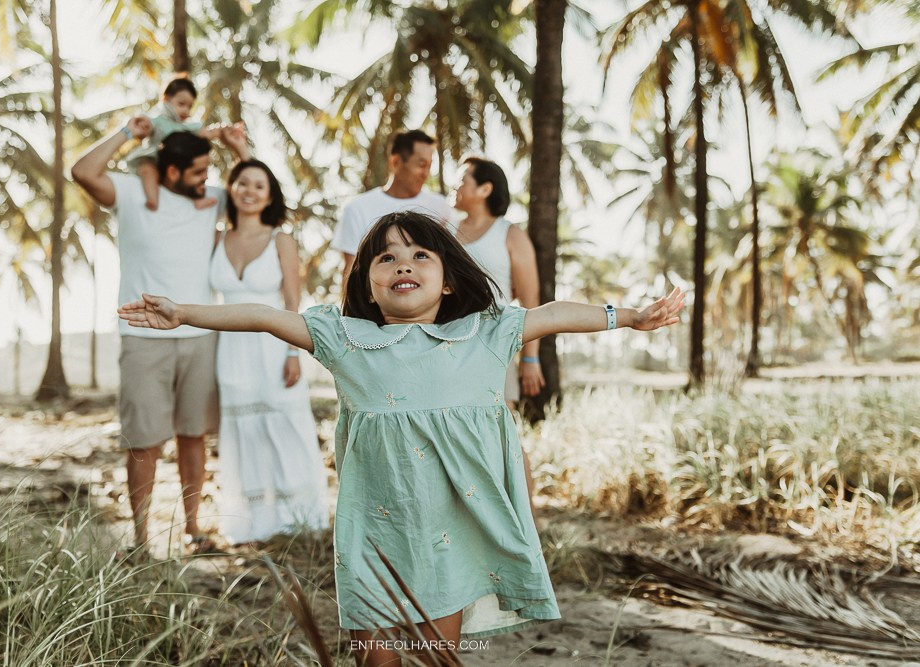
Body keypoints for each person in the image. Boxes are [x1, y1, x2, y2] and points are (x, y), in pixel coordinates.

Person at [118, 212, 685, 665]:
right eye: (385, 258)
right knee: (377, 658)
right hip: (375, 528)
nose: (401, 265)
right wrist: (185, 312)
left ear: (448, 280)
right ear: (367, 283)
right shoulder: (345, 339)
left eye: (419, 255)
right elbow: (266, 316)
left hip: (454, 529)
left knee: (437, 654)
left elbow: (553, 312)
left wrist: (629, 316)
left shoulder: (485, 333)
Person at [72, 116, 249, 556]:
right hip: (143, 338)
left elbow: (260, 196)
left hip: (200, 333)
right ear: (171, 171)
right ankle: (140, 538)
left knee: (193, 435)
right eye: (198, 171)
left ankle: (192, 528)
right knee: (144, 441)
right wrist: (128, 133)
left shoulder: (211, 199)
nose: (207, 178)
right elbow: (82, 171)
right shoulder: (132, 193)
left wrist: (239, 147)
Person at [211, 158, 329, 544]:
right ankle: (253, 522)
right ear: (231, 189)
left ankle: (299, 518)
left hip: (275, 344)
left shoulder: (282, 239)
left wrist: (294, 352)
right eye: (242, 183)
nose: (249, 191)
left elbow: (293, 300)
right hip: (231, 348)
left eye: (259, 186)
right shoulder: (216, 238)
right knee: (244, 428)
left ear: (270, 195)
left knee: (285, 424)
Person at [452, 156, 546, 409]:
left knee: (502, 430)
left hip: (495, 344)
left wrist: (530, 358)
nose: (455, 186)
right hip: (448, 344)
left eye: (462, 180)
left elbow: (530, 301)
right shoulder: (444, 231)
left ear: (485, 189)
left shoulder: (511, 235)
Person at [331, 129, 453, 284]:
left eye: (429, 166)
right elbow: (350, 271)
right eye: (421, 165)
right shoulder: (357, 208)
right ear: (395, 162)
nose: (426, 173)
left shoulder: (441, 207)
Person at [126, 77, 221, 211]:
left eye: (189, 106)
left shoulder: (186, 126)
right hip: (154, 159)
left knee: (188, 175)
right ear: (165, 99)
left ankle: (196, 200)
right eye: (181, 104)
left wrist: (221, 132)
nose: (185, 111)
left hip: (175, 166)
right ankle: (152, 198)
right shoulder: (158, 120)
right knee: (147, 170)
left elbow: (205, 133)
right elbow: (146, 128)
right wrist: (143, 126)